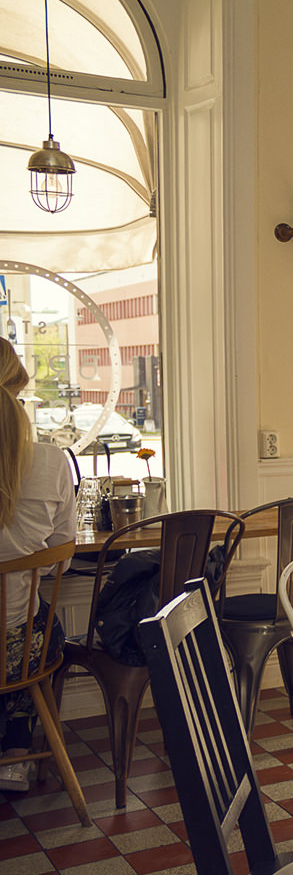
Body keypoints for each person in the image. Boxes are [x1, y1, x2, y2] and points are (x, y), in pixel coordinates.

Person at [0, 338, 75, 791]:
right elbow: (62, 549)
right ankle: (15, 753)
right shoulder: (50, 461)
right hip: (18, 649)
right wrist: (28, 569)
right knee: (38, 627)